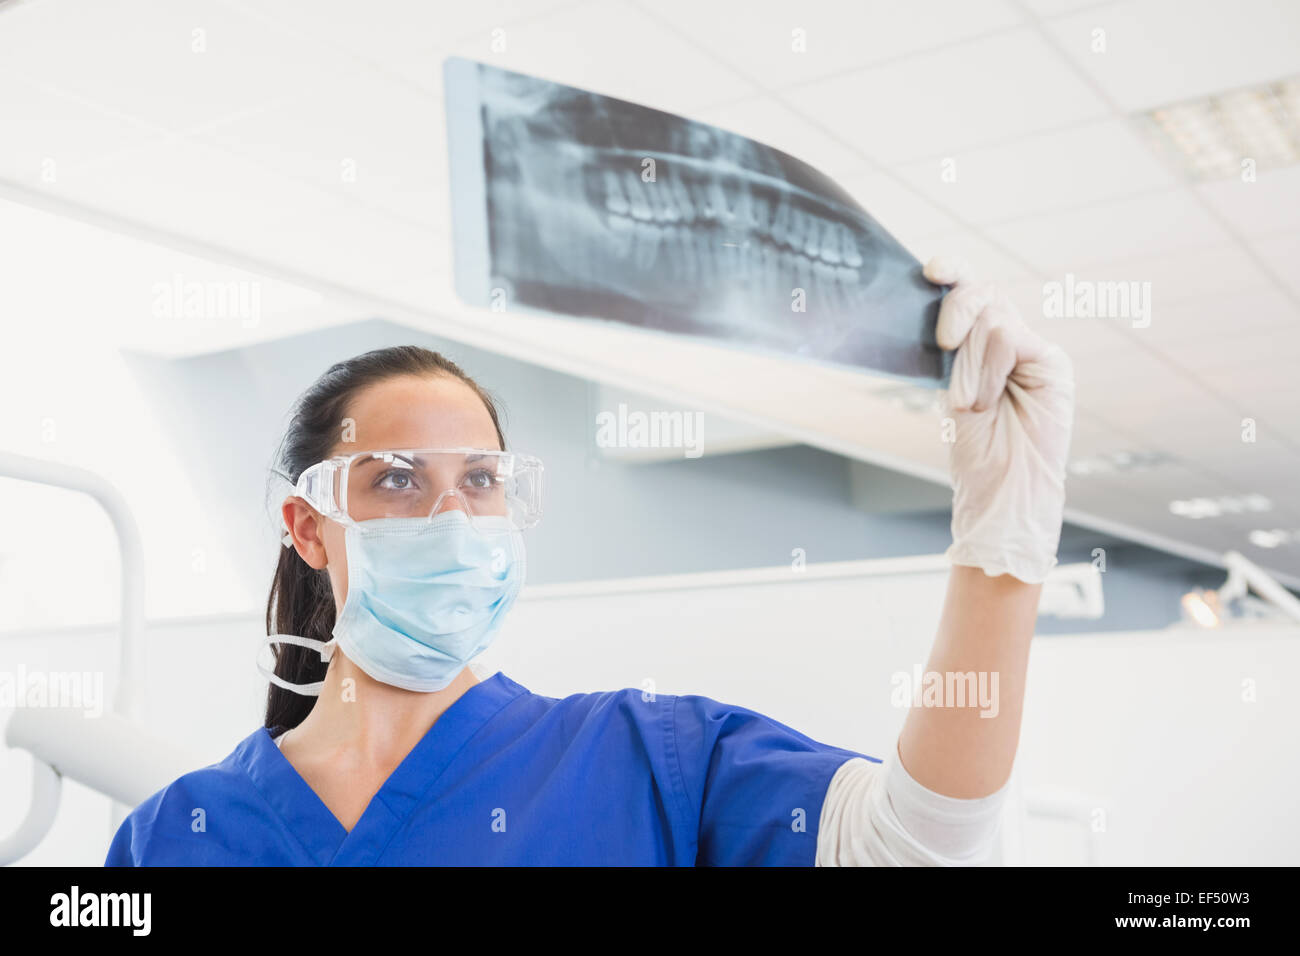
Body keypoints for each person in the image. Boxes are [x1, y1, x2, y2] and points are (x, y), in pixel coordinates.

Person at [105, 256, 1074, 866]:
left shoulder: (649, 759)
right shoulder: (178, 832)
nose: (452, 515)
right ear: (310, 527)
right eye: (397, 480)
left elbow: (918, 845)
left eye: (482, 481)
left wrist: (1002, 540)